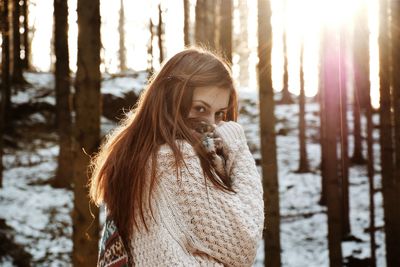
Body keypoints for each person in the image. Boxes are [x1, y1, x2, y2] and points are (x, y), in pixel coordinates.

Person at [89, 47, 264, 266]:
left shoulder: (138, 155)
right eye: (200, 109)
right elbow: (243, 242)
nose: (211, 125)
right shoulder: (175, 160)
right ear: (172, 102)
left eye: (219, 114)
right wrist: (238, 148)